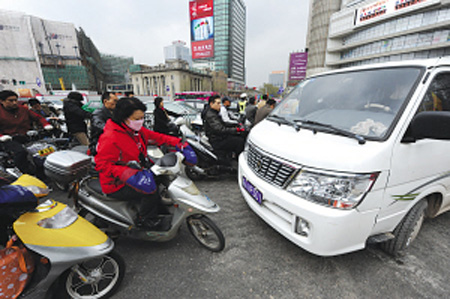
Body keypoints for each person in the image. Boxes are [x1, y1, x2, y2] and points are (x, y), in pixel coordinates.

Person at [95, 97, 197, 231]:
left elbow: (157, 137)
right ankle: (146, 221)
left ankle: (159, 209)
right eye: (136, 119)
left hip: (138, 170)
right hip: (116, 183)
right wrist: (126, 174)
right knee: (150, 191)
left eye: (142, 118)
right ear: (123, 118)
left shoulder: (135, 131)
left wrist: (179, 143)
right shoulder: (111, 137)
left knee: (162, 177)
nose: (140, 121)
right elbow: (102, 164)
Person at [0, 90, 52, 174]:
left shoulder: (23, 109)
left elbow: (38, 118)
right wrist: (2, 136)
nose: (14, 103)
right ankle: (24, 172)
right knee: (21, 152)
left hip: (25, 136)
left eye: (15, 100)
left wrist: (46, 125)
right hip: (8, 139)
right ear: (1, 101)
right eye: (11, 100)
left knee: (42, 149)